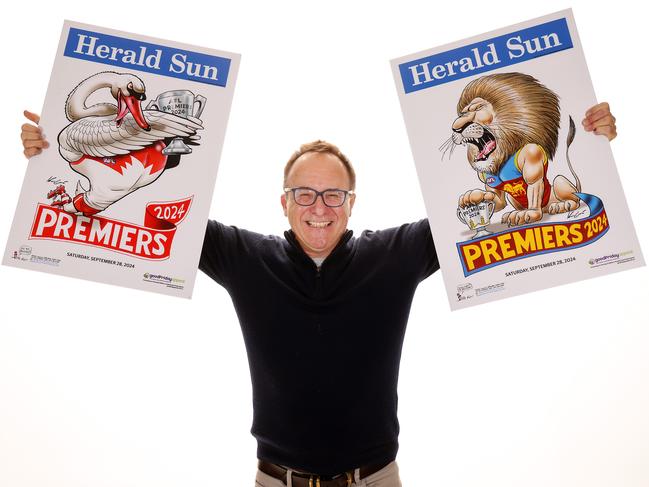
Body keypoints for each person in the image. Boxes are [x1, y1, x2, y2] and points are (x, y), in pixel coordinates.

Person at [20, 103, 617, 487]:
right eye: (304, 194)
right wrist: (54, 152)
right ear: (283, 202)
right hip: (274, 480)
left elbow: (507, 203)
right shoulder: (242, 256)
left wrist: (585, 144)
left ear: (352, 204)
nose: (319, 207)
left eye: (334, 195)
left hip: (376, 479)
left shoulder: (396, 253)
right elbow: (143, 198)